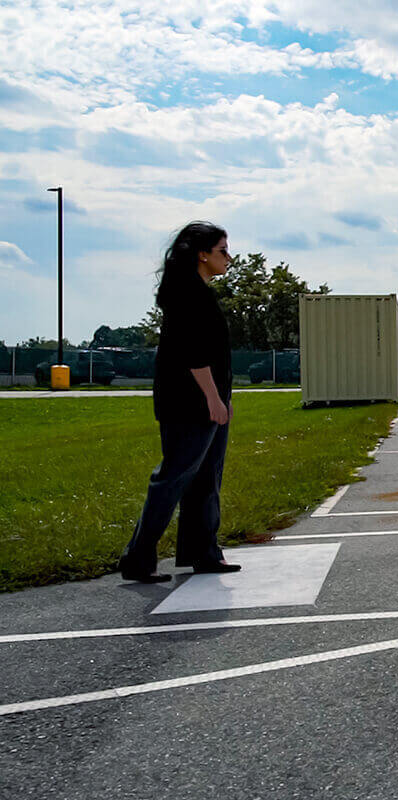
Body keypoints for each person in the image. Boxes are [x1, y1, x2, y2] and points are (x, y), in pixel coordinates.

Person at [117, 222, 241, 582]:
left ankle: (202, 552)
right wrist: (214, 399)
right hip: (189, 403)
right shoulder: (187, 293)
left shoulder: (200, 291)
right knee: (172, 477)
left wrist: (224, 398)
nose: (229, 258)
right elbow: (193, 353)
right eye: (222, 250)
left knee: (205, 479)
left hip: (210, 400)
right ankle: (138, 558)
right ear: (202, 254)